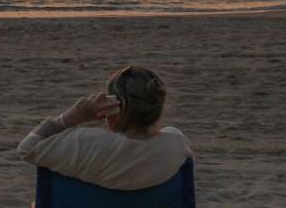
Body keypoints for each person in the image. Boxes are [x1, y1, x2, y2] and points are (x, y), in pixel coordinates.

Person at [17, 66, 193, 190]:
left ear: (116, 106)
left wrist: (69, 118)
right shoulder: (176, 144)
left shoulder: (85, 144)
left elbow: (28, 148)